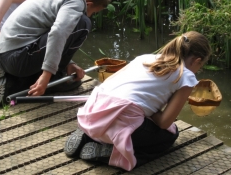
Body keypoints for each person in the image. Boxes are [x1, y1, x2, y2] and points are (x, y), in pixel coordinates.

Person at [64, 31, 212, 171]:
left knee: (133, 113)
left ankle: (87, 134)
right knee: (169, 135)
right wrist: (149, 108)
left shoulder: (144, 58)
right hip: (117, 123)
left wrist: (143, 105)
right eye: (200, 66)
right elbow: (164, 122)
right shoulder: (186, 77)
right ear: (196, 60)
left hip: (93, 113)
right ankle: (113, 153)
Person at [0, 0, 111, 106]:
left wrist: (69, 63)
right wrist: (46, 76)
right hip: (17, 58)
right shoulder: (76, 1)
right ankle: (18, 84)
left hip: (4, 53)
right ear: (89, 4)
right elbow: (58, 33)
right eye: (93, 12)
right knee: (83, 23)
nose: (91, 14)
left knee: (72, 79)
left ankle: (10, 73)